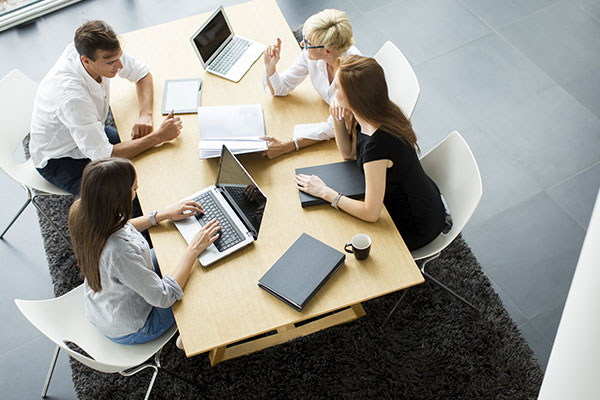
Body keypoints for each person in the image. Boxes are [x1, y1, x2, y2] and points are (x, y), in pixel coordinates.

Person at [295, 56, 447, 250]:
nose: (333, 89)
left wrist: (325, 193)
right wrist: (339, 119)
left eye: (338, 87)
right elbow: (348, 153)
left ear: (355, 97)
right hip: (418, 196)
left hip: (414, 225)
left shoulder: (378, 146)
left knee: (334, 233)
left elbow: (371, 213)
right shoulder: (374, 113)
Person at [68, 158, 220, 345]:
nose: (136, 190)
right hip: (136, 327)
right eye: (134, 189)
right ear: (118, 198)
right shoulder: (119, 252)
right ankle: (194, 333)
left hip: (105, 304)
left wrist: (162, 215)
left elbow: (121, 227)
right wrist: (194, 249)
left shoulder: (84, 209)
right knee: (200, 277)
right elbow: (164, 297)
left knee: (175, 251)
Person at [29, 20, 182, 195]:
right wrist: (159, 137)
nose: (120, 66)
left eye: (119, 57)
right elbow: (104, 157)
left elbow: (142, 74)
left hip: (89, 130)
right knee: (117, 198)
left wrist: (145, 115)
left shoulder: (101, 51)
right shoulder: (72, 98)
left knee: (146, 160)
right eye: (111, 63)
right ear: (86, 61)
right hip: (60, 158)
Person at [261, 9, 361, 159]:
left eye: (307, 42)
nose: (302, 44)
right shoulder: (312, 55)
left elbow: (334, 128)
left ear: (328, 51)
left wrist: (289, 145)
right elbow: (281, 87)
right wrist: (271, 68)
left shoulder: (353, 77)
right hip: (332, 115)